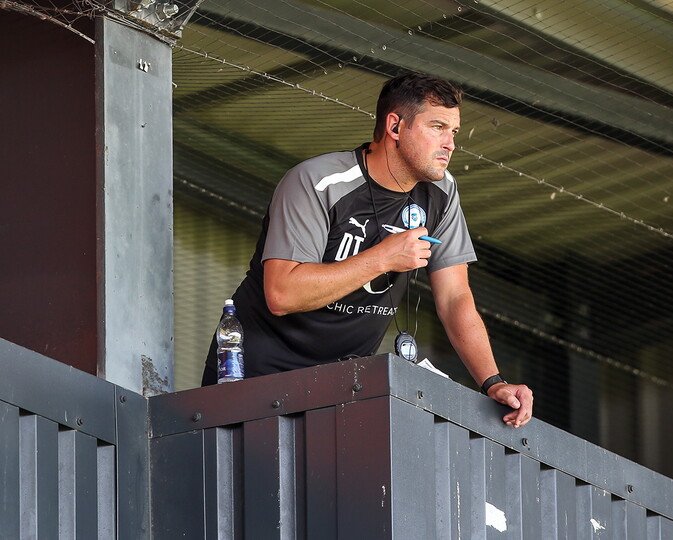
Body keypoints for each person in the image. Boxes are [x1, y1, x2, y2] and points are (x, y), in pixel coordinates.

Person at [201, 73, 533, 427]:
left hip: (345, 388)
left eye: (453, 132)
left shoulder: (442, 193)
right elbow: (282, 293)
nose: (450, 143)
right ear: (395, 126)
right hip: (256, 377)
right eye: (437, 127)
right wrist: (383, 257)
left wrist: (493, 382)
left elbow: (454, 297)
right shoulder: (318, 181)